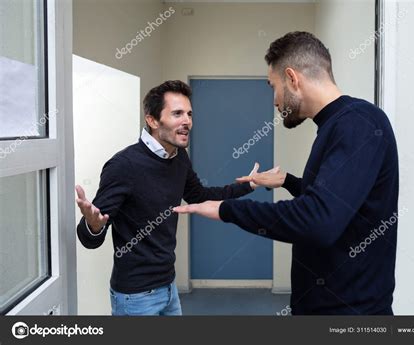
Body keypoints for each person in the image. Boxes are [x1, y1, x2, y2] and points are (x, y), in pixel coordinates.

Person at [174, 32, 399, 315]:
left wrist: (227, 209)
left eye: (273, 87)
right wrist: (288, 182)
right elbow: (339, 202)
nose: (274, 101)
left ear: (292, 78)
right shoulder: (338, 124)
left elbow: (319, 220)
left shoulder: (357, 124)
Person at [76, 80, 277, 315]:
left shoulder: (178, 156)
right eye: (177, 113)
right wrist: (94, 226)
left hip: (169, 287)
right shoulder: (124, 165)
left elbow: (199, 196)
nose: (187, 122)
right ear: (152, 120)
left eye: (189, 114)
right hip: (136, 296)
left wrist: (248, 186)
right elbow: (90, 237)